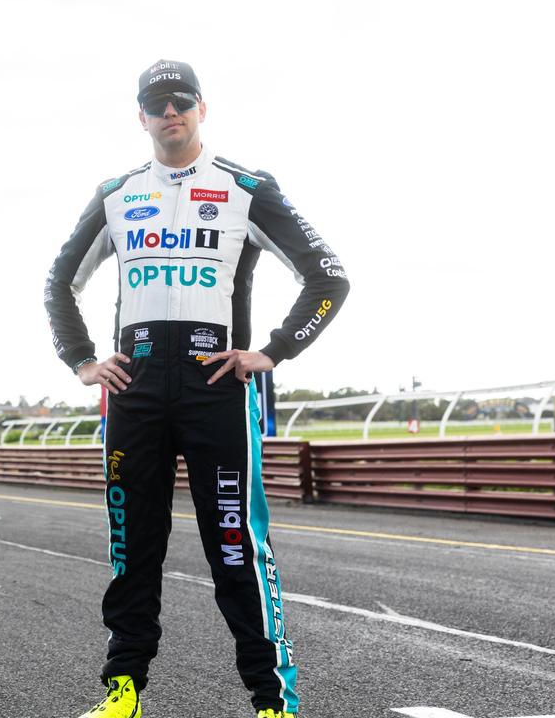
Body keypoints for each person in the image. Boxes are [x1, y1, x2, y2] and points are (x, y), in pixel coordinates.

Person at [44, 59, 350, 718]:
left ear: (202, 108)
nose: (170, 112)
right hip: (136, 388)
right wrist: (81, 360)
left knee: (237, 548)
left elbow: (328, 277)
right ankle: (123, 692)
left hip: (218, 387)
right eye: (157, 104)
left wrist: (272, 350)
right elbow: (58, 282)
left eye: (181, 100)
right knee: (132, 549)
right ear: (142, 117)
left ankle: (273, 702)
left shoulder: (246, 187)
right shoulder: (116, 194)